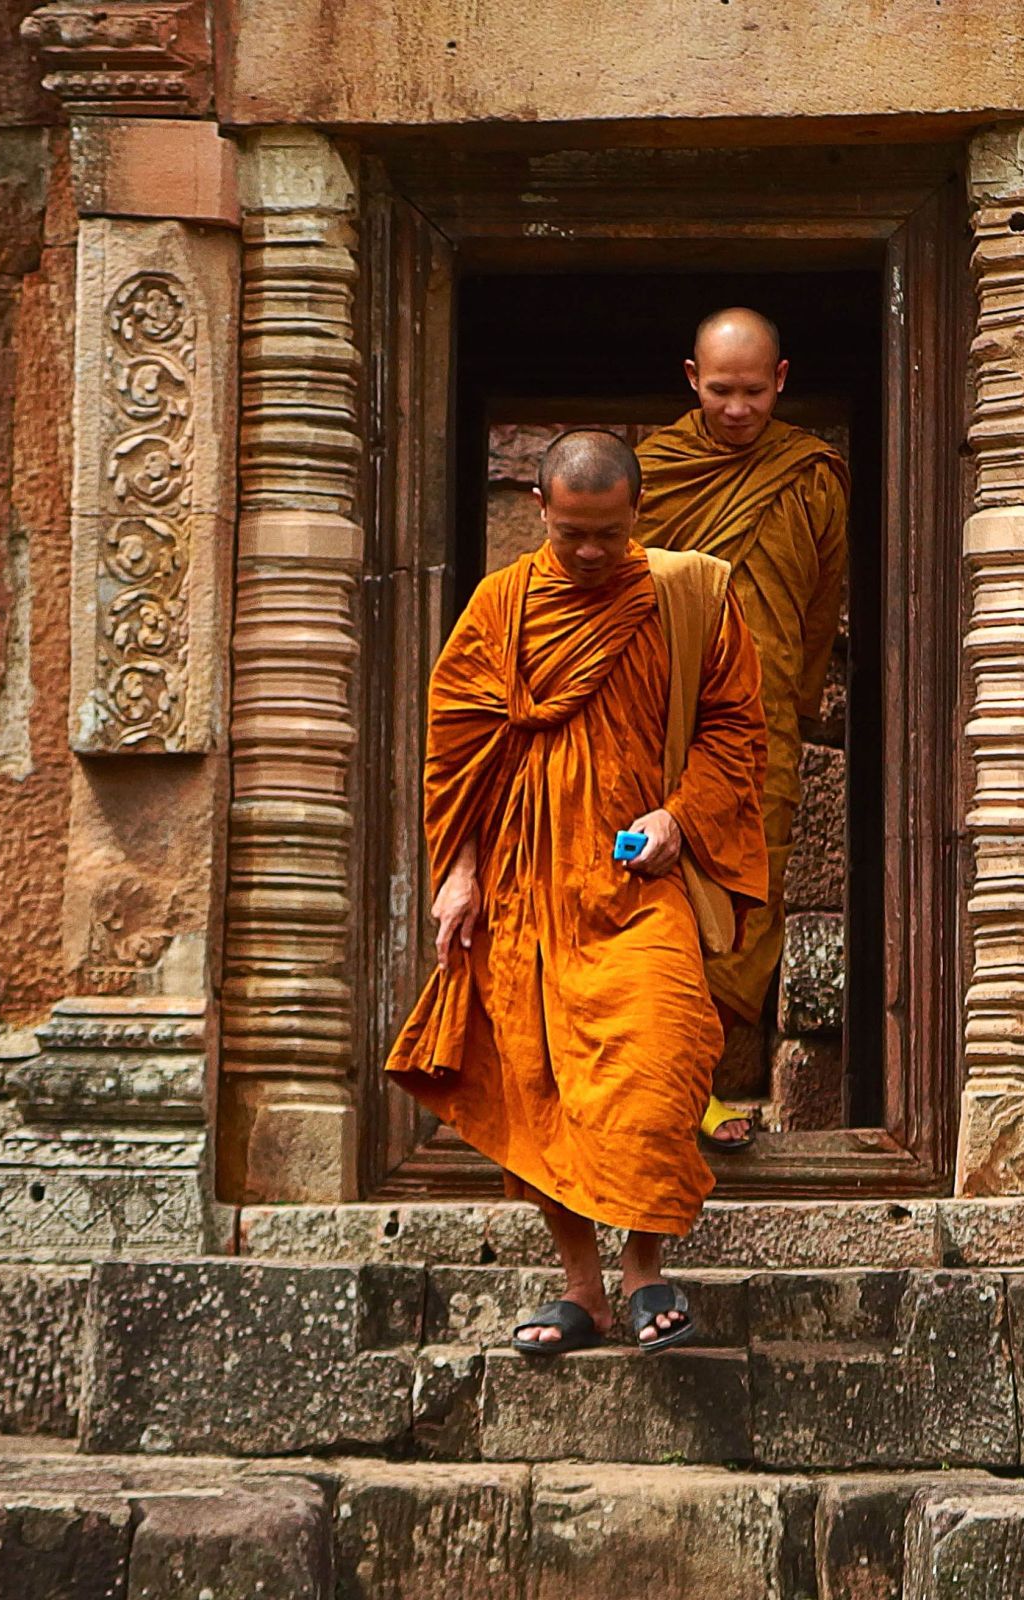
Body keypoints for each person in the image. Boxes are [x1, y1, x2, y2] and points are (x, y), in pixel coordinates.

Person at [387, 429, 769, 1356]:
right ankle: (583, 1291)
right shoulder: (502, 608)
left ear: (636, 513)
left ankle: (645, 1270)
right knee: (544, 1086)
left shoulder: (692, 595)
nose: (590, 553)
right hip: (525, 887)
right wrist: (461, 874)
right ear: (539, 514)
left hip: (641, 883)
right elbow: (458, 753)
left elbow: (737, 730)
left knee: (660, 1059)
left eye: (606, 532)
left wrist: (682, 816)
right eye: (571, 536)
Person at [636, 308, 850, 1147]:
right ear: (692, 380)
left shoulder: (811, 478)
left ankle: (710, 1092)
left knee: (745, 910)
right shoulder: (651, 473)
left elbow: (818, 607)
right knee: (655, 905)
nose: (736, 409)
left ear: (782, 381)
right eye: (720, 391)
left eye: (754, 392)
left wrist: (790, 711)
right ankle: (651, 1096)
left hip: (760, 738)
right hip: (660, 735)